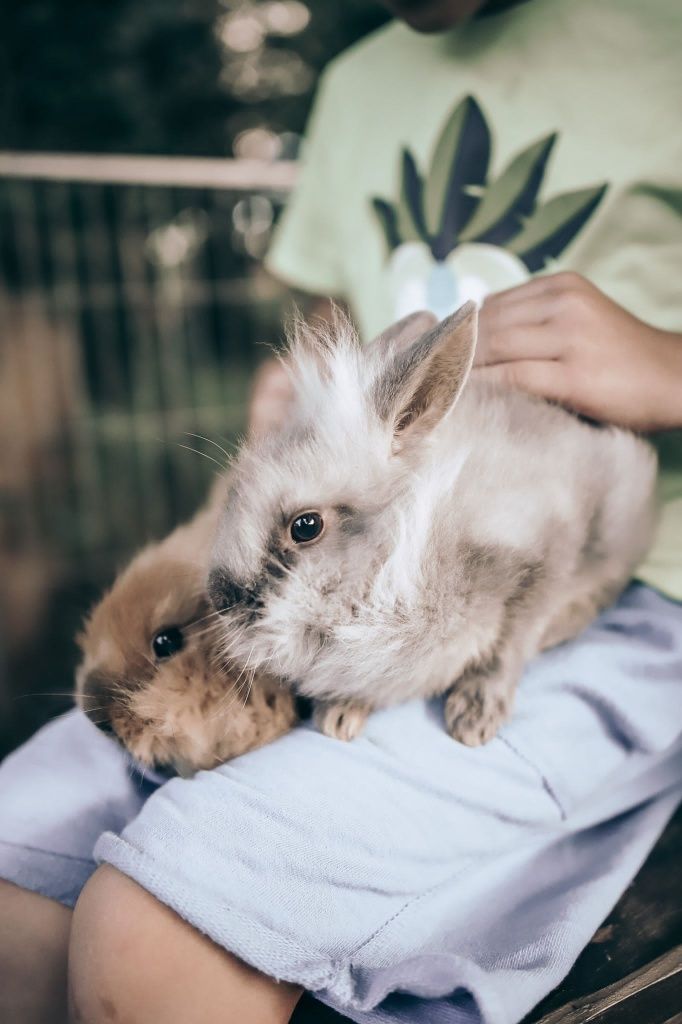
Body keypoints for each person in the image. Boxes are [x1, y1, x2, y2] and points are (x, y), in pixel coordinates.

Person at [1, 1, 681, 1022]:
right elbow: (326, 354)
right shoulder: (362, 81)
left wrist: (669, 368)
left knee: (157, 929)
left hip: (625, 598)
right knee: (15, 881)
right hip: (352, 569)